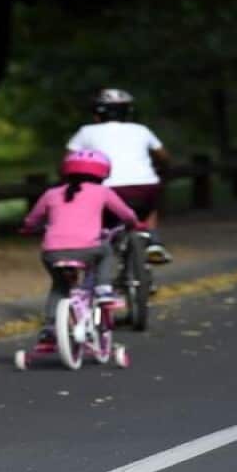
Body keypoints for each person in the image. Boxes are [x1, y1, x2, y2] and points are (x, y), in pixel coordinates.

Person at [22, 150, 140, 344]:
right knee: (106, 251)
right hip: (88, 250)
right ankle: (103, 288)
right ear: (103, 173)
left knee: (60, 287)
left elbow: (32, 219)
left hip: (52, 253)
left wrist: (28, 228)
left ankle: (50, 327)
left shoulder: (51, 193)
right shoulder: (102, 192)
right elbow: (126, 214)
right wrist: (133, 223)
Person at [66, 88, 173, 264]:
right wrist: (164, 171)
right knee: (149, 208)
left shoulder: (85, 132)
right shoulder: (141, 130)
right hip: (143, 186)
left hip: (104, 188)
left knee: (98, 214)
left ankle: (99, 250)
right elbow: (163, 157)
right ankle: (154, 242)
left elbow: (68, 161)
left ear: (96, 113)